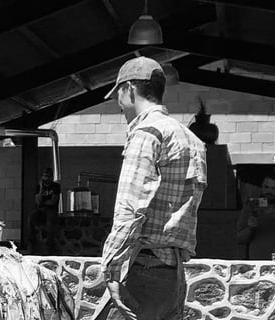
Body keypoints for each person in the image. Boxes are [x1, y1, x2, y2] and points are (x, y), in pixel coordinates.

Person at [97, 57, 208, 320]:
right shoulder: (193, 140)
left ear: (130, 89)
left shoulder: (147, 133)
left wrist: (111, 267)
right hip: (173, 274)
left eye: (118, 95)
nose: (118, 104)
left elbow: (130, 208)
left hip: (142, 269)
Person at [31, 167, 61, 253]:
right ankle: (32, 243)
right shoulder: (39, 187)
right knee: (31, 218)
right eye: (45, 176)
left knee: (51, 220)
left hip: (51, 210)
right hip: (41, 210)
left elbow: (53, 201)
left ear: (51, 177)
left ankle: (50, 244)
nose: (46, 178)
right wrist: (41, 188)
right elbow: (38, 202)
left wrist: (44, 202)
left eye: (48, 176)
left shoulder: (56, 186)